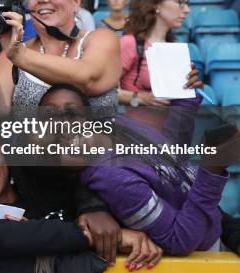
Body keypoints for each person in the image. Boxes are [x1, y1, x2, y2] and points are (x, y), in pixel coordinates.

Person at [0, 126, 162, 273]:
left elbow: (82, 175)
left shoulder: (48, 189)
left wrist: (93, 207)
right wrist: (98, 237)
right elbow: (3, 236)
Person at [37, 84, 234, 256]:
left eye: (72, 113)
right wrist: (212, 169)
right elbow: (178, 240)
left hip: (218, 232)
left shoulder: (117, 126)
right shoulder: (112, 179)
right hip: (199, 260)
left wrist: (184, 97)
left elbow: (169, 152)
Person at [0, 0, 121, 119]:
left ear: (76, 1)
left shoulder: (102, 39)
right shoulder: (11, 55)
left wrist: (20, 55)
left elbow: (88, 79)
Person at [118, 0, 190, 116]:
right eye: (180, 2)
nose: (187, 9)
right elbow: (102, 92)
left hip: (169, 133)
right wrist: (138, 98)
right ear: (156, 4)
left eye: (187, 3)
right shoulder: (130, 43)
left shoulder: (173, 48)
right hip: (135, 133)